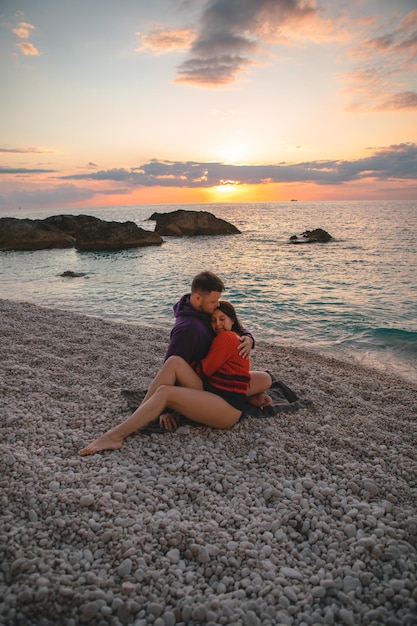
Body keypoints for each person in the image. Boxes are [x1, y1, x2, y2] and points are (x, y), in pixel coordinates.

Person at [80, 301, 272, 456]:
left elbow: (204, 371)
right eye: (213, 320)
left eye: (222, 319)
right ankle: (140, 414)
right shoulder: (239, 338)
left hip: (227, 409)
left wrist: (194, 364)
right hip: (218, 390)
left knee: (165, 392)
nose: (217, 324)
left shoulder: (227, 338)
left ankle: (114, 436)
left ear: (232, 320)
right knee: (174, 362)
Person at [165, 270, 254, 364]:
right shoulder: (187, 328)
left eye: (218, 300)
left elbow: (232, 324)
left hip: (218, 369)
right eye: (213, 301)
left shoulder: (205, 310)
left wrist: (248, 338)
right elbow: (170, 366)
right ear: (198, 298)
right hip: (204, 375)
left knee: (264, 377)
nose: (218, 304)